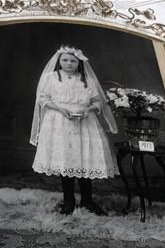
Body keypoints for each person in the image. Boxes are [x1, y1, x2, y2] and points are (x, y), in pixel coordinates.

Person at [30, 46, 119, 216]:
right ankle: (68, 201)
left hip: (85, 123)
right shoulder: (51, 78)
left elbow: (98, 102)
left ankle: (87, 200)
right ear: (59, 61)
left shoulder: (87, 80)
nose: (69, 63)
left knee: (84, 160)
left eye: (73, 61)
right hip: (59, 122)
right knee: (66, 160)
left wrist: (88, 109)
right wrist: (60, 109)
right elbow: (42, 99)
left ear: (79, 63)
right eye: (65, 60)